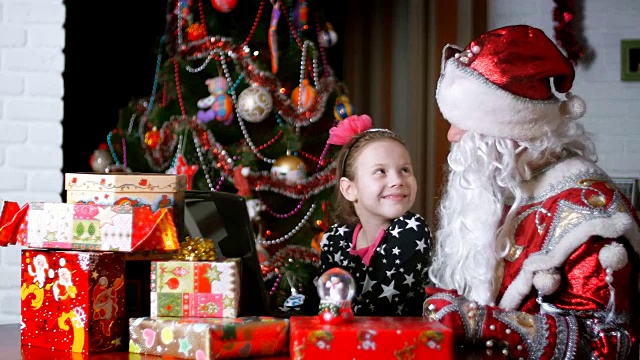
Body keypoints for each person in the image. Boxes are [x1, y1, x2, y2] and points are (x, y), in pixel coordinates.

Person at [424, 25, 640, 359]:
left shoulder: (592, 220)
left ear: (513, 129)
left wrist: (482, 322)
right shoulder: (506, 191)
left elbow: (607, 344)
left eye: (464, 122)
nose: (453, 135)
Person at [319, 114, 433, 316]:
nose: (397, 180)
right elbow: (324, 303)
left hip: (402, 343)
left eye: (405, 170)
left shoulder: (412, 231)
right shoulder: (335, 239)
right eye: (381, 171)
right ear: (349, 189)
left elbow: (379, 309)